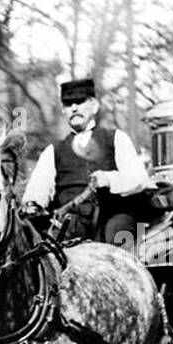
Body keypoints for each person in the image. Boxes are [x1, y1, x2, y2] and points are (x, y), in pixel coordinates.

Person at [22, 77, 149, 245]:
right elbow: (37, 190)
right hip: (70, 224)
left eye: (80, 102)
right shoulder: (53, 151)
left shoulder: (116, 138)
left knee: (116, 245)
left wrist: (109, 179)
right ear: (63, 110)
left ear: (94, 106)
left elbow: (139, 179)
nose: (74, 108)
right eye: (68, 104)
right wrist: (33, 204)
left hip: (113, 218)